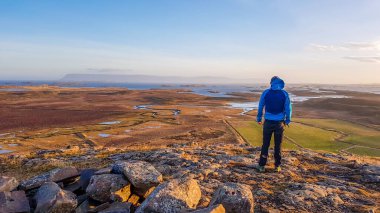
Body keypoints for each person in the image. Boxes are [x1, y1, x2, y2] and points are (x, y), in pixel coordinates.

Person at [256, 76, 292, 172]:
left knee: (265, 144)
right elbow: (288, 108)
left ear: (271, 83)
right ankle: (277, 166)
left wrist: (259, 118)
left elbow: (260, 106)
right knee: (278, 145)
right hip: (279, 123)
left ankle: (261, 166)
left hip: (267, 122)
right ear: (281, 84)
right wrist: (288, 120)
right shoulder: (284, 94)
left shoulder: (266, 92)